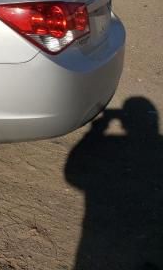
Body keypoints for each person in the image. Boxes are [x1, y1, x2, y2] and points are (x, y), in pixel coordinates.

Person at [65, 97, 163, 269]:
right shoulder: (157, 145)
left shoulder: (113, 143)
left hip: (99, 237)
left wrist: (98, 127)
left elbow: (72, 174)